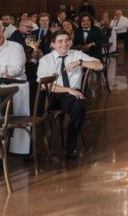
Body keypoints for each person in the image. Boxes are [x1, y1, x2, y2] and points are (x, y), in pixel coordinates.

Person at [37, 29, 103, 159]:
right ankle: (34, 148)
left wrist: (80, 62)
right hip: (52, 95)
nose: (64, 44)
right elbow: (43, 84)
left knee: (79, 107)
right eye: (60, 41)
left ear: (71, 42)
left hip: (72, 95)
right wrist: (67, 89)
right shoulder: (45, 60)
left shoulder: (76, 54)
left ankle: (70, 146)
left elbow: (99, 65)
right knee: (36, 107)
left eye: (67, 40)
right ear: (53, 44)